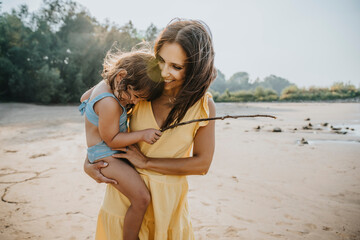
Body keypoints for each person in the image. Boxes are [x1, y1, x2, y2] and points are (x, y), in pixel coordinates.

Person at [84, 19, 217, 239]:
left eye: (176, 67)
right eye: (161, 61)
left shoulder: (204, 106)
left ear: (195, 69)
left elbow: (202, 164)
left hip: (169, 208)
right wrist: (88, 162)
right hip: (123, 206)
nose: (165, 73)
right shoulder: (139, 93)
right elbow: (101, 124)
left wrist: (146, 162)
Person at [79, 49, 163, 240]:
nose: (133, 101)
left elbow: (84, 98)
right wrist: (142, 134)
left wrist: (92, 120)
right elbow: (112, 140)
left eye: (140, 99)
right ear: (121, 76)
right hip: (105, 155)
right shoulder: (110, 103)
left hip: (99, 150)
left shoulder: (103, 85)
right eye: (134, 95)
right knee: (142, 198)